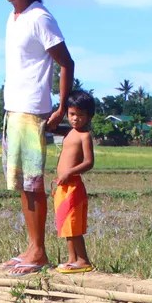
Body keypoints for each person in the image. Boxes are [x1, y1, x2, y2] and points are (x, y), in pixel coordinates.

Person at [0, 0, 74, 275]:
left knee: (33, 183)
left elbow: (66, 62)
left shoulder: (40, 17)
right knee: (22, 183)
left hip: (32, 109)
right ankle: (32, 246)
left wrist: (61, 106)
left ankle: (38, 251)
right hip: (14, 109)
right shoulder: (14, 19)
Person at [52, 89, 96, 274]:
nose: (75, 118)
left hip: (73, 185)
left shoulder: (84, 136)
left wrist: (69, 172)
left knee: (73, 224)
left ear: (89, 116)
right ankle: (72, 259)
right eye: (72, 114)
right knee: (65, 224)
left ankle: (83, 260)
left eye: (80, 115)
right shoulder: (69, 132)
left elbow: (89, 162)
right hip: (63, 185)